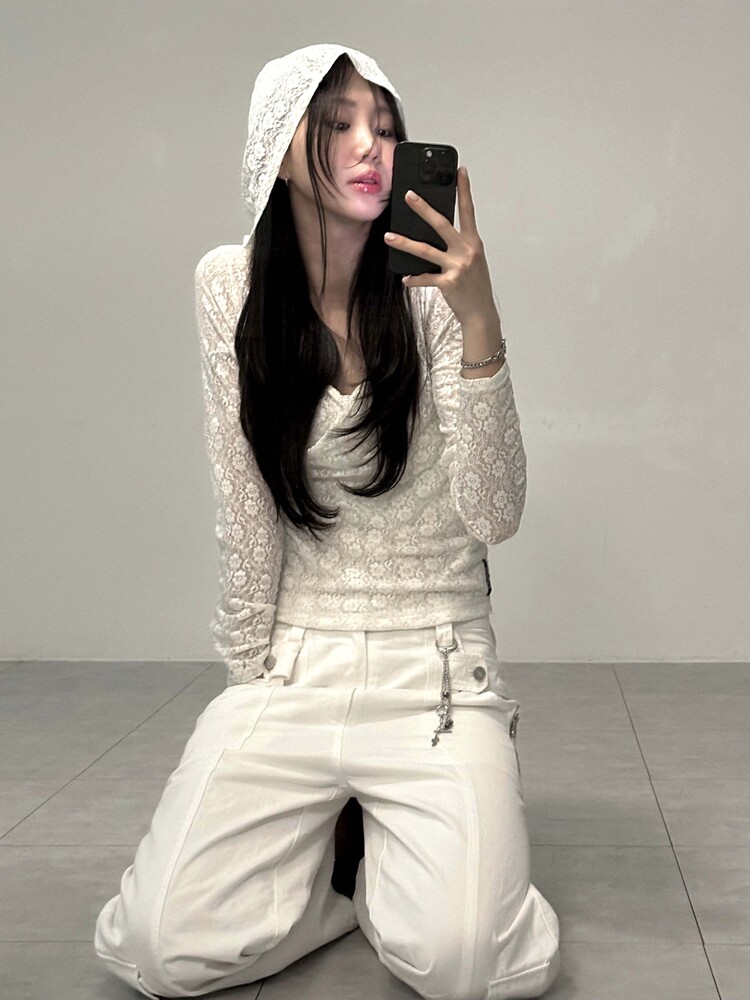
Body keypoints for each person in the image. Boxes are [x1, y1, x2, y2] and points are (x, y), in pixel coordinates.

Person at [93, 43, 562, 1000]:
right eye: (339, 124)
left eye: (385, 127)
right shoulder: (227, 287)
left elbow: (496, 512)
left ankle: (402, 856)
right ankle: (338, 882)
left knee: (470, 965)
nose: (370, 148)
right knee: (154, 949)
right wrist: (245, 693)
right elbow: (244, 504)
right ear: (277, 151)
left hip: (436, 664)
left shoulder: (433, 292)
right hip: (295, 660)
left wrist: (480, 321)